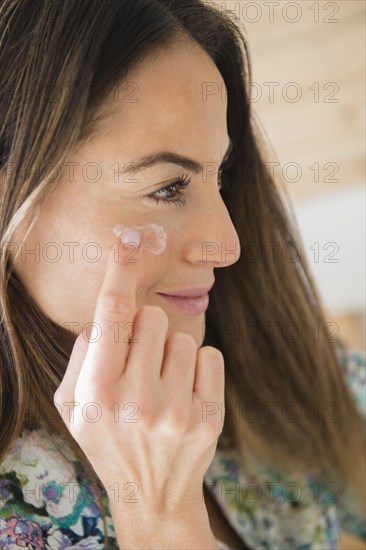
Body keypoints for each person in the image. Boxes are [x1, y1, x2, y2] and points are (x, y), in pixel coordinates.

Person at [0, 1, 364, 548]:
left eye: (220, 178)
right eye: (168, 188)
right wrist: (160, 517)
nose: (228, 245)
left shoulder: (292, 372)